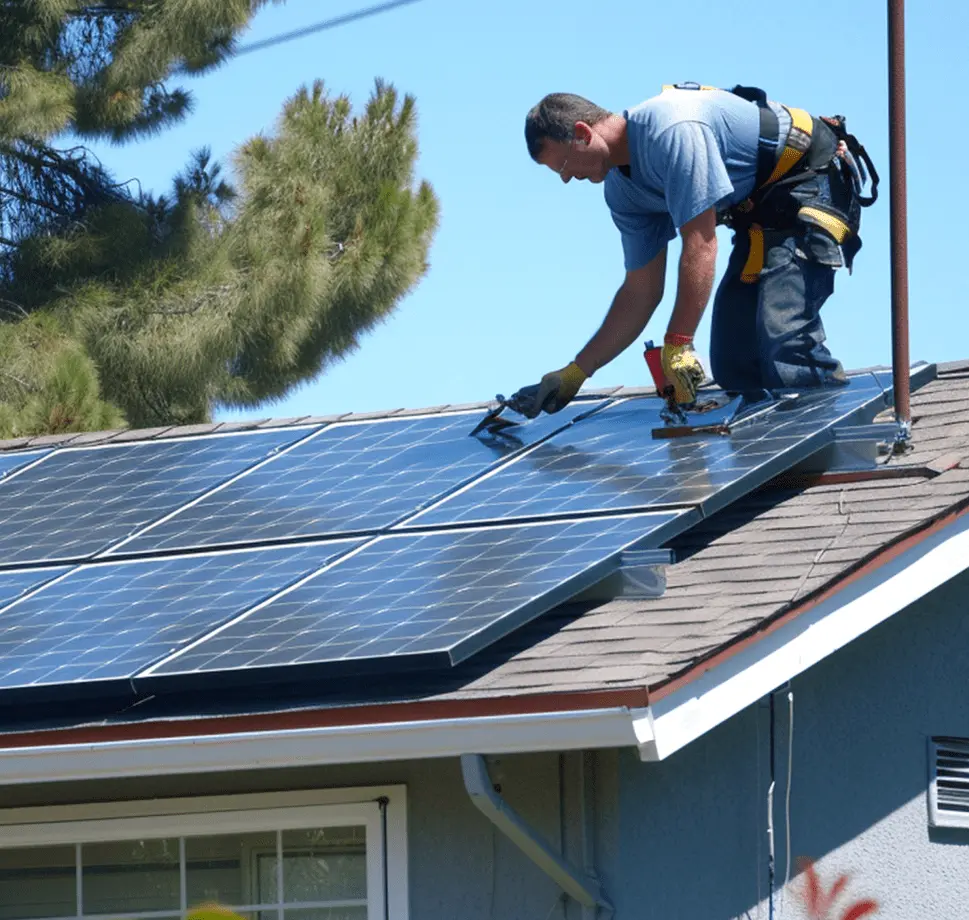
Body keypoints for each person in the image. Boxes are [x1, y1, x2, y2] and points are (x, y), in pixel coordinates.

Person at [514, 82, 876, 418]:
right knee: (734, 361)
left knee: (784, 336)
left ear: (582, 133)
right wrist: (578, 371)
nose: (564, 178)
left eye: (561, 165)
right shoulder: (622, 192)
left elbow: (701, 243)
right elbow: (641, 291)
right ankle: (776, 463)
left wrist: (679, 341)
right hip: (759, 213)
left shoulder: (672, 130)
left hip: (807, 181)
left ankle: (837, 436)